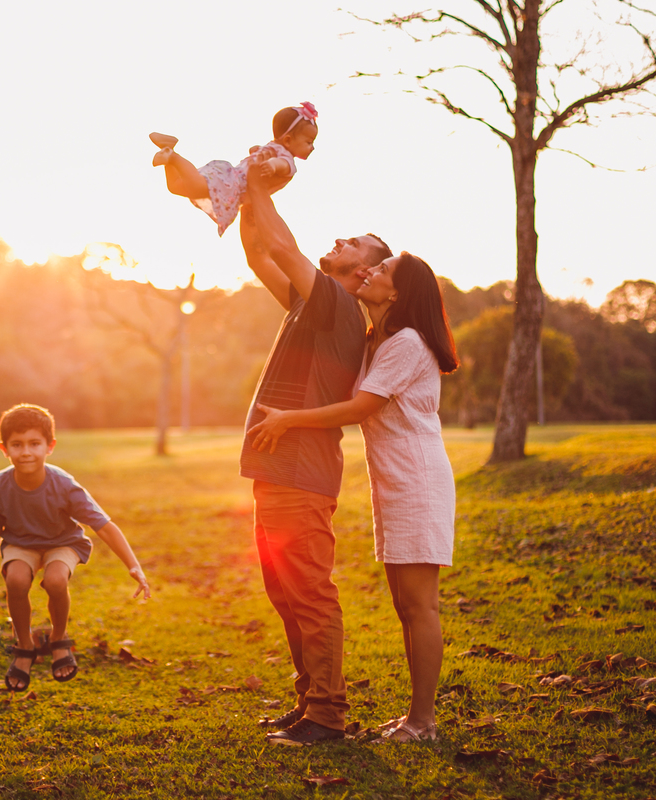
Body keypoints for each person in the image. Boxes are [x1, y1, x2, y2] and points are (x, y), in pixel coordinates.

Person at [248, 251, 460, 743]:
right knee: (405, 605)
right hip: (394, 482)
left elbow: (363, 406)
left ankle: (423, 722)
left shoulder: (406, 342)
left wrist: (288, 418)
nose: (372, 273)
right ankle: (414, 717)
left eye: (383, 271)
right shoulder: (377, 340)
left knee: (419, 605)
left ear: (398, 293)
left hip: (417, 481)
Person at [236, 152, 392, 746]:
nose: (342, 240)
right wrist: (241, 200)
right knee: (285, 593)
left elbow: (282, 245)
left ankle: (328, 714)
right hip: (277, 471)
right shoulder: (313, 305)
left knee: (309, 592)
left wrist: (255, 183)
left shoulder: (337, 305)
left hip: (301, 475)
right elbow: (259, 252)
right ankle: (310, 702)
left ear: (364, 273)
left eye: (357, 243)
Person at [0, 404, 151, 691]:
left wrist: (134, 566)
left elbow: (104, 526)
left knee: (56, 580)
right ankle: (25, 646)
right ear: (4, 448)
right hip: (21, 542)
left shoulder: (64, 485)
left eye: (35, 443)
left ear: (50, 446)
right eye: (17, 445)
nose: (26, 452)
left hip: (63, 541)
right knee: (17, 580)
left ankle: (59, 639)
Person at [150, 103, 318, 236]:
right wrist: (273, 165)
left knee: (175, 187)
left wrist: (258, 152)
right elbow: (283, 165)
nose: (312, 148)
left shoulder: (271, 147)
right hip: (232, 184)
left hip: (228, 175)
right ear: (288, 140)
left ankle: (168, 150)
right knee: (194, 187)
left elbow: (254, 149)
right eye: (309, 142)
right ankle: (172, 157)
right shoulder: (287, 161)